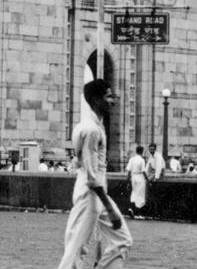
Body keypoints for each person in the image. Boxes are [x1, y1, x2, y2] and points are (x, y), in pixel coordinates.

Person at [56, 79, 130, 269]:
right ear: (96, 100)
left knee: (122, 239)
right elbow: (91, 175)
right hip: (91, 194)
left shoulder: (92, 126)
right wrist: (110, 208)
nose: (112, 100)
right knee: (75, 250)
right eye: (108, 96)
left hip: (95, 194)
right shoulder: (91, 130)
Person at [125, 145, 147, 219]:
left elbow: (128, 171)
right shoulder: (142, 160)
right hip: (140, 177)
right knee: (140, 194)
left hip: (133, 177)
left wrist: (128, 181)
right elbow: (143, 171)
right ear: (142, 151)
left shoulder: (132, 159)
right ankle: (138, 213)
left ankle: (131, 208)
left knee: (134, 193)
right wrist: (147, 179)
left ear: (136, 151)